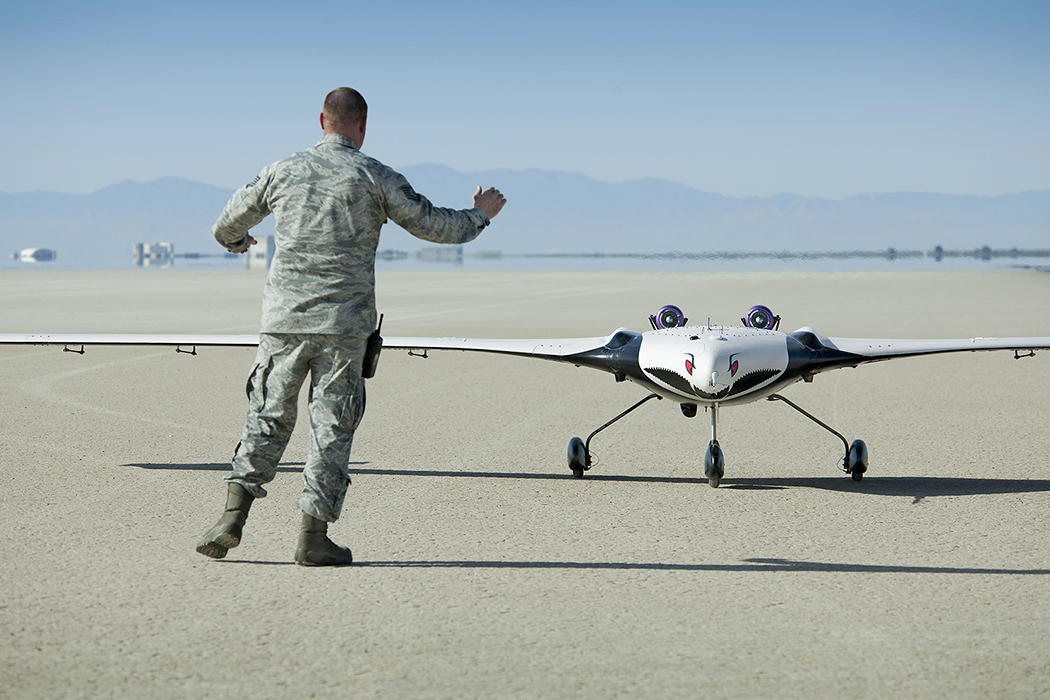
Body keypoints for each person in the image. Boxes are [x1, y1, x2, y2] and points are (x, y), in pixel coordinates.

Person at [196, 87, 506, 566]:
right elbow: (435, 227)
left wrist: (241, 243)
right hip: (344, 328)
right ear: (362, 125)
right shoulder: (375, 176)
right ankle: (312, 539)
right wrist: (480, 214)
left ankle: (230, 520)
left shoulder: (283, 171)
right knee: (331, 429)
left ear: (321, 121)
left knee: (267, 417)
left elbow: (225, 225)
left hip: (285, 322)